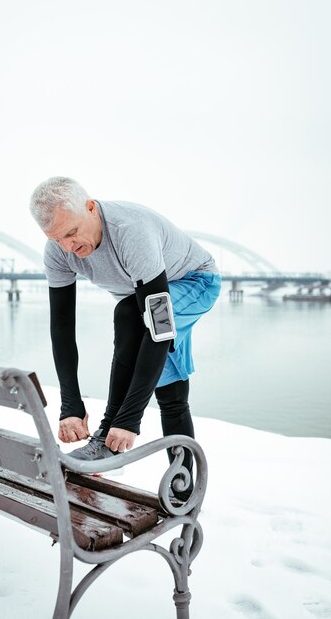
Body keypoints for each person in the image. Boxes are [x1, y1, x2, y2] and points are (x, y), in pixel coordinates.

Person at [30, 176, 221, 502]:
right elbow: (62, 327)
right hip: (142, 297)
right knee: (170, 392)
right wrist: (70, 406)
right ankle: (183, 485)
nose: (68, 247)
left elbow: (157, 327)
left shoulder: (131, 231)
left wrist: (127, 421)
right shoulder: (59, 251)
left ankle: (107, 440)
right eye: (56, 238)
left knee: (129, 317)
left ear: (91, 208)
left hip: (194, 281)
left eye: (72, 233)